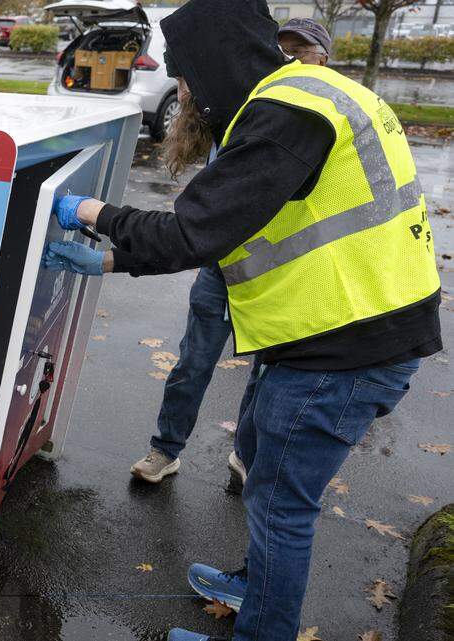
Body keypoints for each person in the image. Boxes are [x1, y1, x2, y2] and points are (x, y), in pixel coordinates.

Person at [43, 1, 441, 639]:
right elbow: (229, 238)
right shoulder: (308, 96)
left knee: (280, 506)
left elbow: (191, 233)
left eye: (188, 78)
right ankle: (257, 586)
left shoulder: (286, 115)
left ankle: (262, 628)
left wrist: (89, 211)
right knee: (258, 451)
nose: (186, 94)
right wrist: (112, 263)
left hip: (343, 351)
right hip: (331, 333)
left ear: (213, 59)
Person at [127, 17, 334, 486]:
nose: (294, 57)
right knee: (193, 363)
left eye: (304, 50)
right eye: (287, 50)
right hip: (220, 269)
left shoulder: (311, 119)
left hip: (275, 273)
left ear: (325, 56)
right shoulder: (245, 107)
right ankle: (166, 449)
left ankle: (245, 453)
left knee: (264, 375)